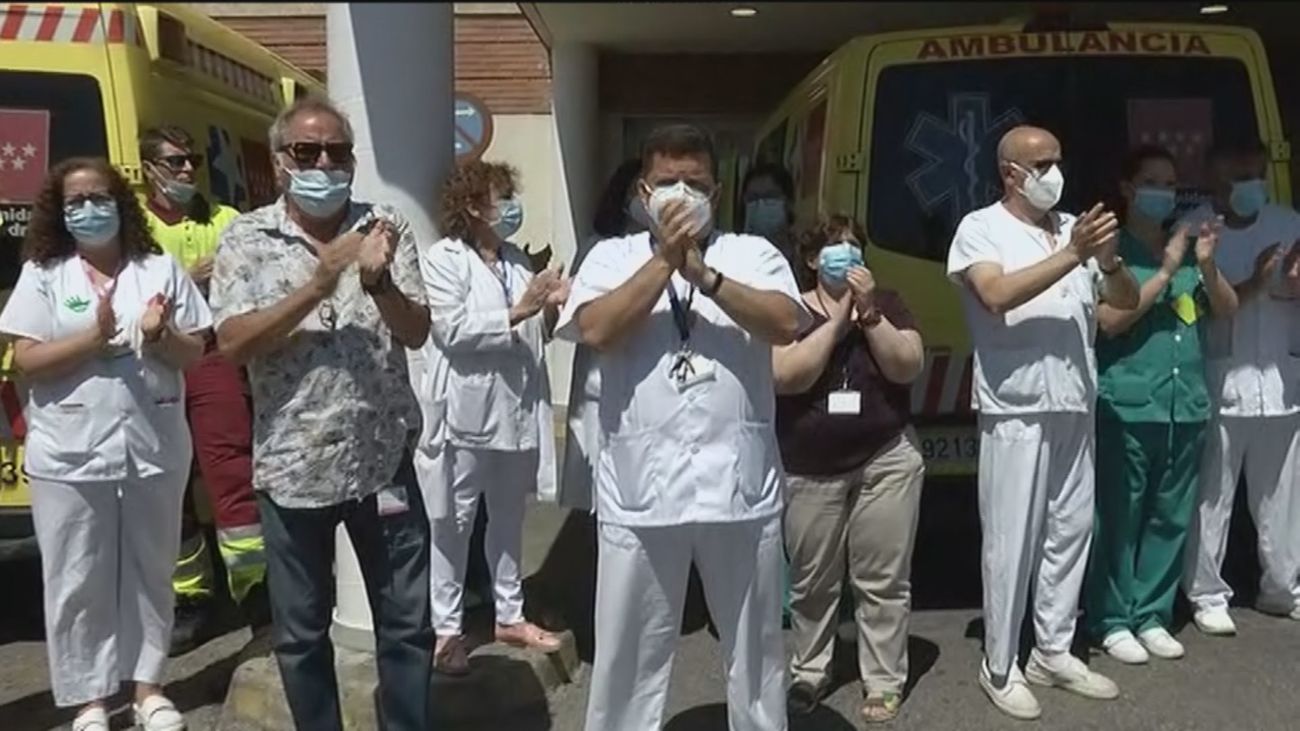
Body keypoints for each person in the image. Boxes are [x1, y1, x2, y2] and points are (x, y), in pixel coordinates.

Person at [556, 123, 806, 731]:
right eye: (667, 181)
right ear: (643, 190)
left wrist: (704, 278)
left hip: (739, 490)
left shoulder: (751, 253)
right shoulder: (612, 256)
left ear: (716, 192)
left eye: (694, 182)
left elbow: (783, 322)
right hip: (641, 493)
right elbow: (595, 330)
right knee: (627, 656)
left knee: (756, 651)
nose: (681, 192)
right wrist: (665, 264)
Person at [208, 96, 433, 731]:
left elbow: (417, 332)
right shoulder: (247, 238)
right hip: (292, 465)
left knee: (407, 627)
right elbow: (232, 344)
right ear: (281, 163)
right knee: (303, 635)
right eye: (307, 152)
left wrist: (378, 283)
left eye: (337, 151)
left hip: (382, 460)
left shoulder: (384, 225)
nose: (324, 163)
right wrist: (318, 282)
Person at [0, 157, 211, 731]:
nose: (90, 209)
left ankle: (148, 688)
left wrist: (161, 335)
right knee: (75, 576)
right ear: (60, 213)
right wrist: (92, 338)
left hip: (153, 439)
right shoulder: (45, 274)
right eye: (77, 201)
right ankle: (88, 698)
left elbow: (198, 350)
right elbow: (26, 359)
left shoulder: (158, 268)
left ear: (121, 201)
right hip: (68, 450)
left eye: (99, 197)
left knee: (151, 567)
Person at [946, 125, 1139, 720]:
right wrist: (1073, 255)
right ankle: (999, 664)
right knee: (1013, 539)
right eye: (1042, 162)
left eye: (1058, 159)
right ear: (1011, 172)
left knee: (1069, 532)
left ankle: (1052, 650)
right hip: (1017, 407)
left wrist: (1106, 264)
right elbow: (995, 294)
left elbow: (1123, 304)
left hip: (1075, 401)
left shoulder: (1070, 226)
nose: (1055, 171)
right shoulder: (981, 227)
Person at [1084, 146, 1238, 665]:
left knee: (1170, 516)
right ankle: (1110, 617)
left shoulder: (1187, 244)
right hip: (1128, 402)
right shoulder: (1111, 250)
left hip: (1184, 402)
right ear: (1127, 189)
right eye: (1152, 181)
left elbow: (1225, 309)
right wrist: (1166, 268)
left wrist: (1205, 267)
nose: (1164, 193)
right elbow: (1110, 320)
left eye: (1170, 184)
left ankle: (1151, 612)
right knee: (1120, 517)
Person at [773, 214, 925, 723]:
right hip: (810, 468)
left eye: (855, 246)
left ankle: (883, 679)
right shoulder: (789, 308)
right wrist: (837, 322)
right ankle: (810, 669)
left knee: (882, 577)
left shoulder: (887, 304)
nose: (848, 255)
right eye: (836, 247)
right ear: (814, 259)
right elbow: (788, 376)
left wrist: (869, 315)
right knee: (813, 581)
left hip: (885, 457)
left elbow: (907, 366)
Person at [418, 159, 566, 675]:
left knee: (509, 519)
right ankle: (446, 632)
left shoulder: (516, 259)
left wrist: (549, 308)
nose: (510, 208)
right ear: (472, 205)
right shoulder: (444, 259)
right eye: (501, 197)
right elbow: (451, 330)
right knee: (452, 526)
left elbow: (533, 333)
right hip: (465, 416)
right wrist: (523, 309)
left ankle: (509, 615)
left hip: (516, 412)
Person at [138, 125, 268, 651]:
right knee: (170, 482)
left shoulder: (227, 221)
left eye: (192, 159)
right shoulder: (136, 229)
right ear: (148, 168)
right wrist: (186, 280)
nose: (188, 170)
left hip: (215, 355)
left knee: (231, 471)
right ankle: (188, 596)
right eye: (174, 162)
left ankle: (258, 592)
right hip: (156, 360)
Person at [1180, 140, 1300, 634]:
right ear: (1214, 182)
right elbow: (1202, 304)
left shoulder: (1289, 222)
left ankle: (1283, 588)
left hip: (1281, 381)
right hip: (1221, 380)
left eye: (1256, 174)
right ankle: (1207, 593)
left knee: (1283, 497)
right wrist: (1255, 282)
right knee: (1213, 496)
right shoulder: (1195, 230)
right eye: (1238, 176)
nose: (1251, 185)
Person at [560, 157, 646, 510]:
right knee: (605, 496)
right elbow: (582, 318)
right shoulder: (595, 248)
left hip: (650, 385)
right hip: (601, 385)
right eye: (639, 190)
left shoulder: (678, 253)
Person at [740, 163, 797, 264]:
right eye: (753, 198)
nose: (761, 204)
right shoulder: (734, 260)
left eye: (770, 196)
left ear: (789, 202)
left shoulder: (806, 260)